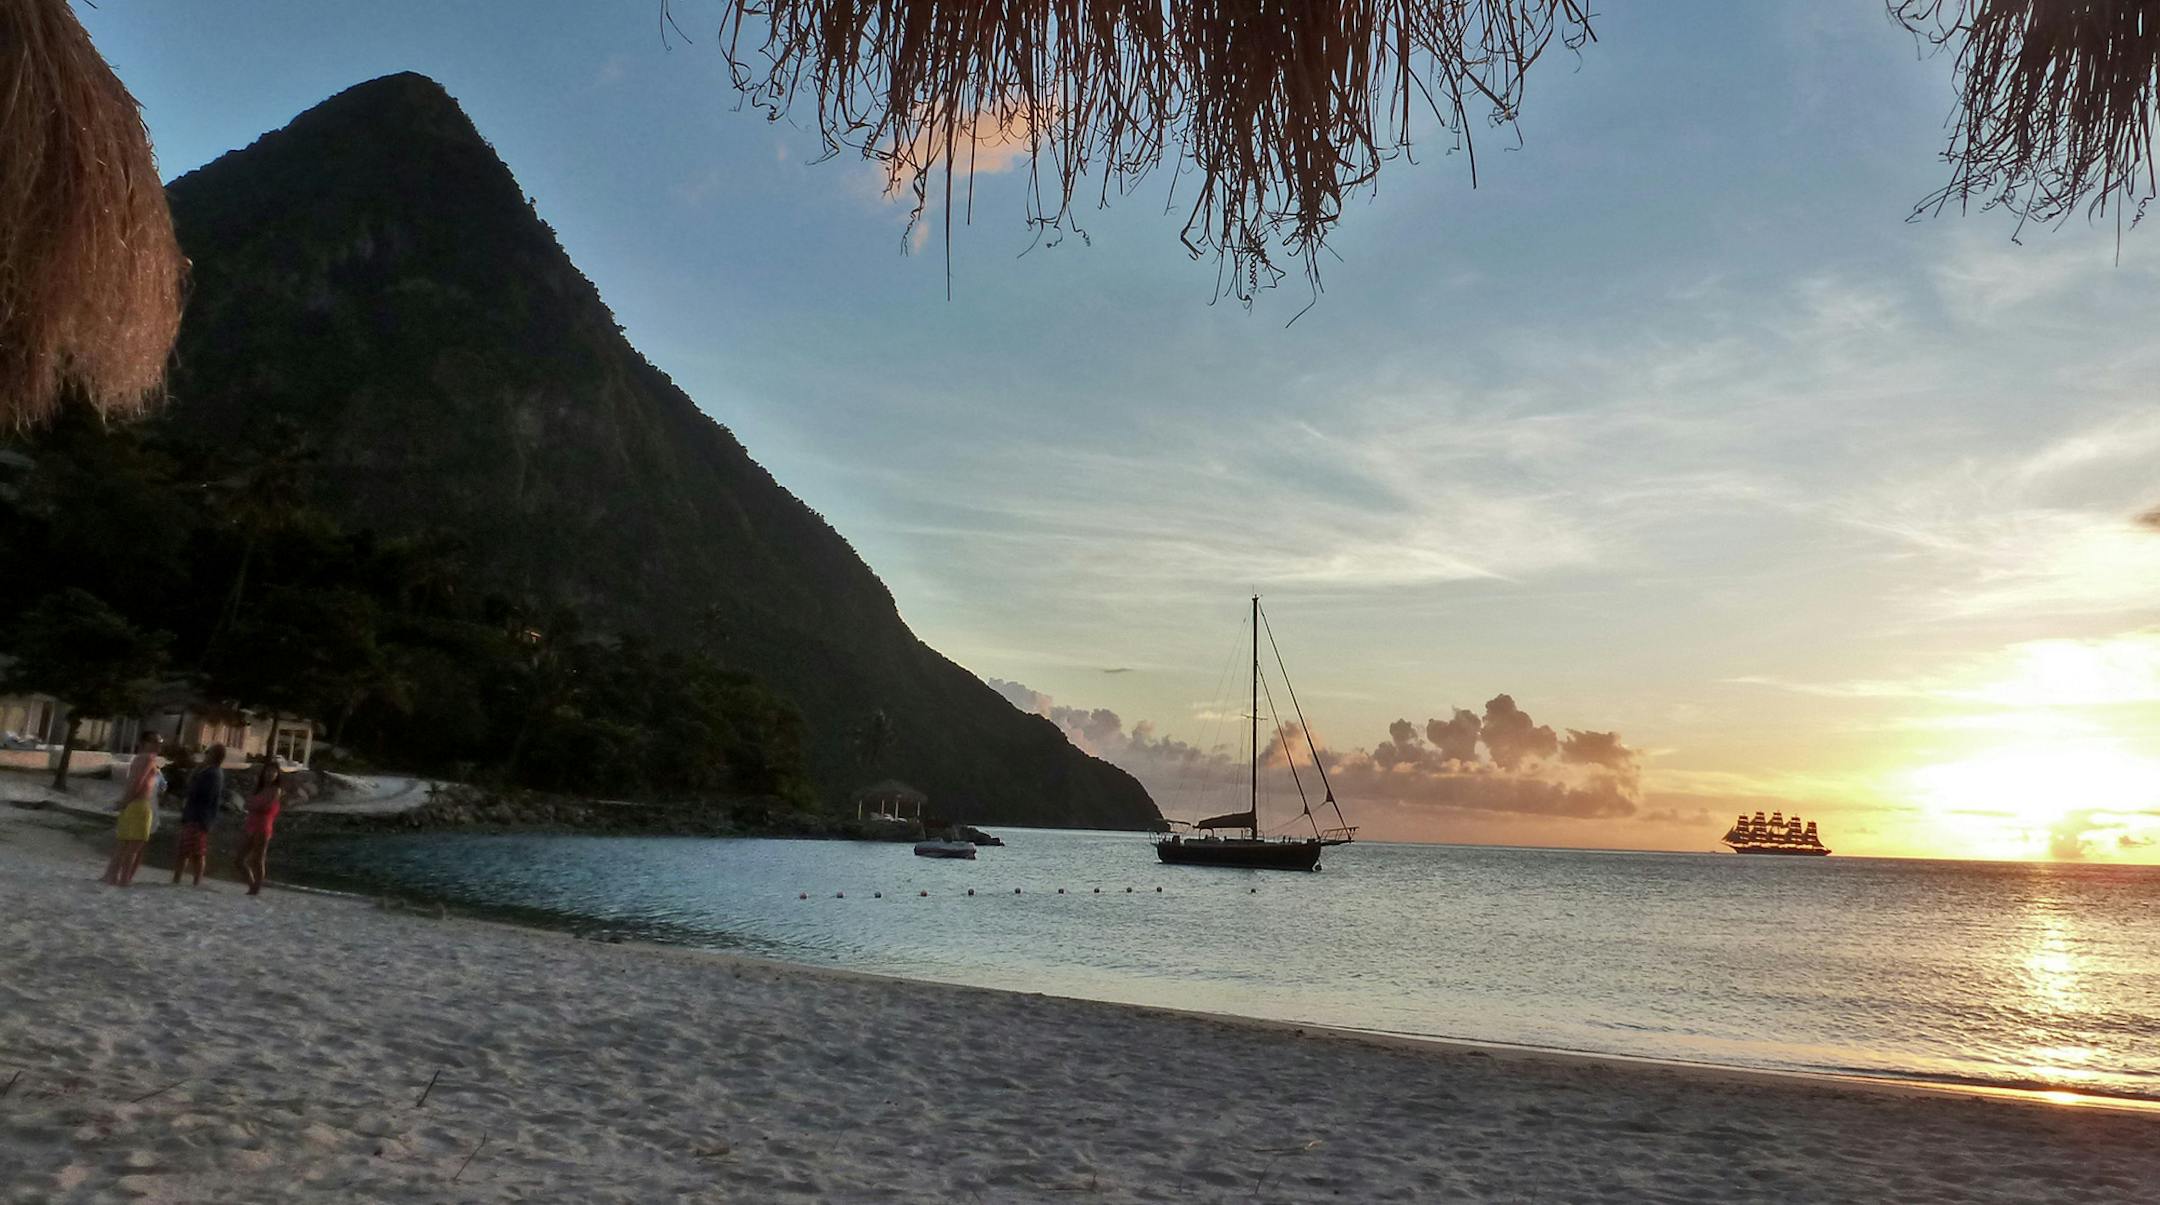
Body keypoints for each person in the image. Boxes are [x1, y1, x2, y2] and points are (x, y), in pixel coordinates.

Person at [102, 732, 162, 886]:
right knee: (134, 846)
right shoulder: (148, 759)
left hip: (132, 804)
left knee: (123, 844)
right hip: (139, 804)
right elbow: (138, 783)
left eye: (160, 742)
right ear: (143, 743)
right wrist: (124, 801)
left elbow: (133, 782)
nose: (158, 745)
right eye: (154, 741)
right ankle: (123, 879)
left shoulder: (138, 759)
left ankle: (111, 877)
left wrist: (123, 802)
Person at [171, 743, 225, 886]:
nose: (205, 755)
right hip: (196, 815)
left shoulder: (213, 773)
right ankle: (186, 880)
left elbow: (199, 793)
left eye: (208, 752)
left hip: (199, 817)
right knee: (190, 850)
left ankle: (189, 880)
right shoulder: (208, 771)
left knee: (192, 852)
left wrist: (194, 776)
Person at [236, 764, 284, 896]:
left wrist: (254, 806)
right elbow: (247, 804)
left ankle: (255, 889)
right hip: (251, 824)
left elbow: (265, 807)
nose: (270, 774)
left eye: (273, 772)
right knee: (239, 860)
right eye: (268, 771)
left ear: (277, 775)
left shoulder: (276, 790)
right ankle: (252, 885)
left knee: (258, 859)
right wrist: (254, 806)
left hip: (263, 826)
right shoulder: (258, 789)